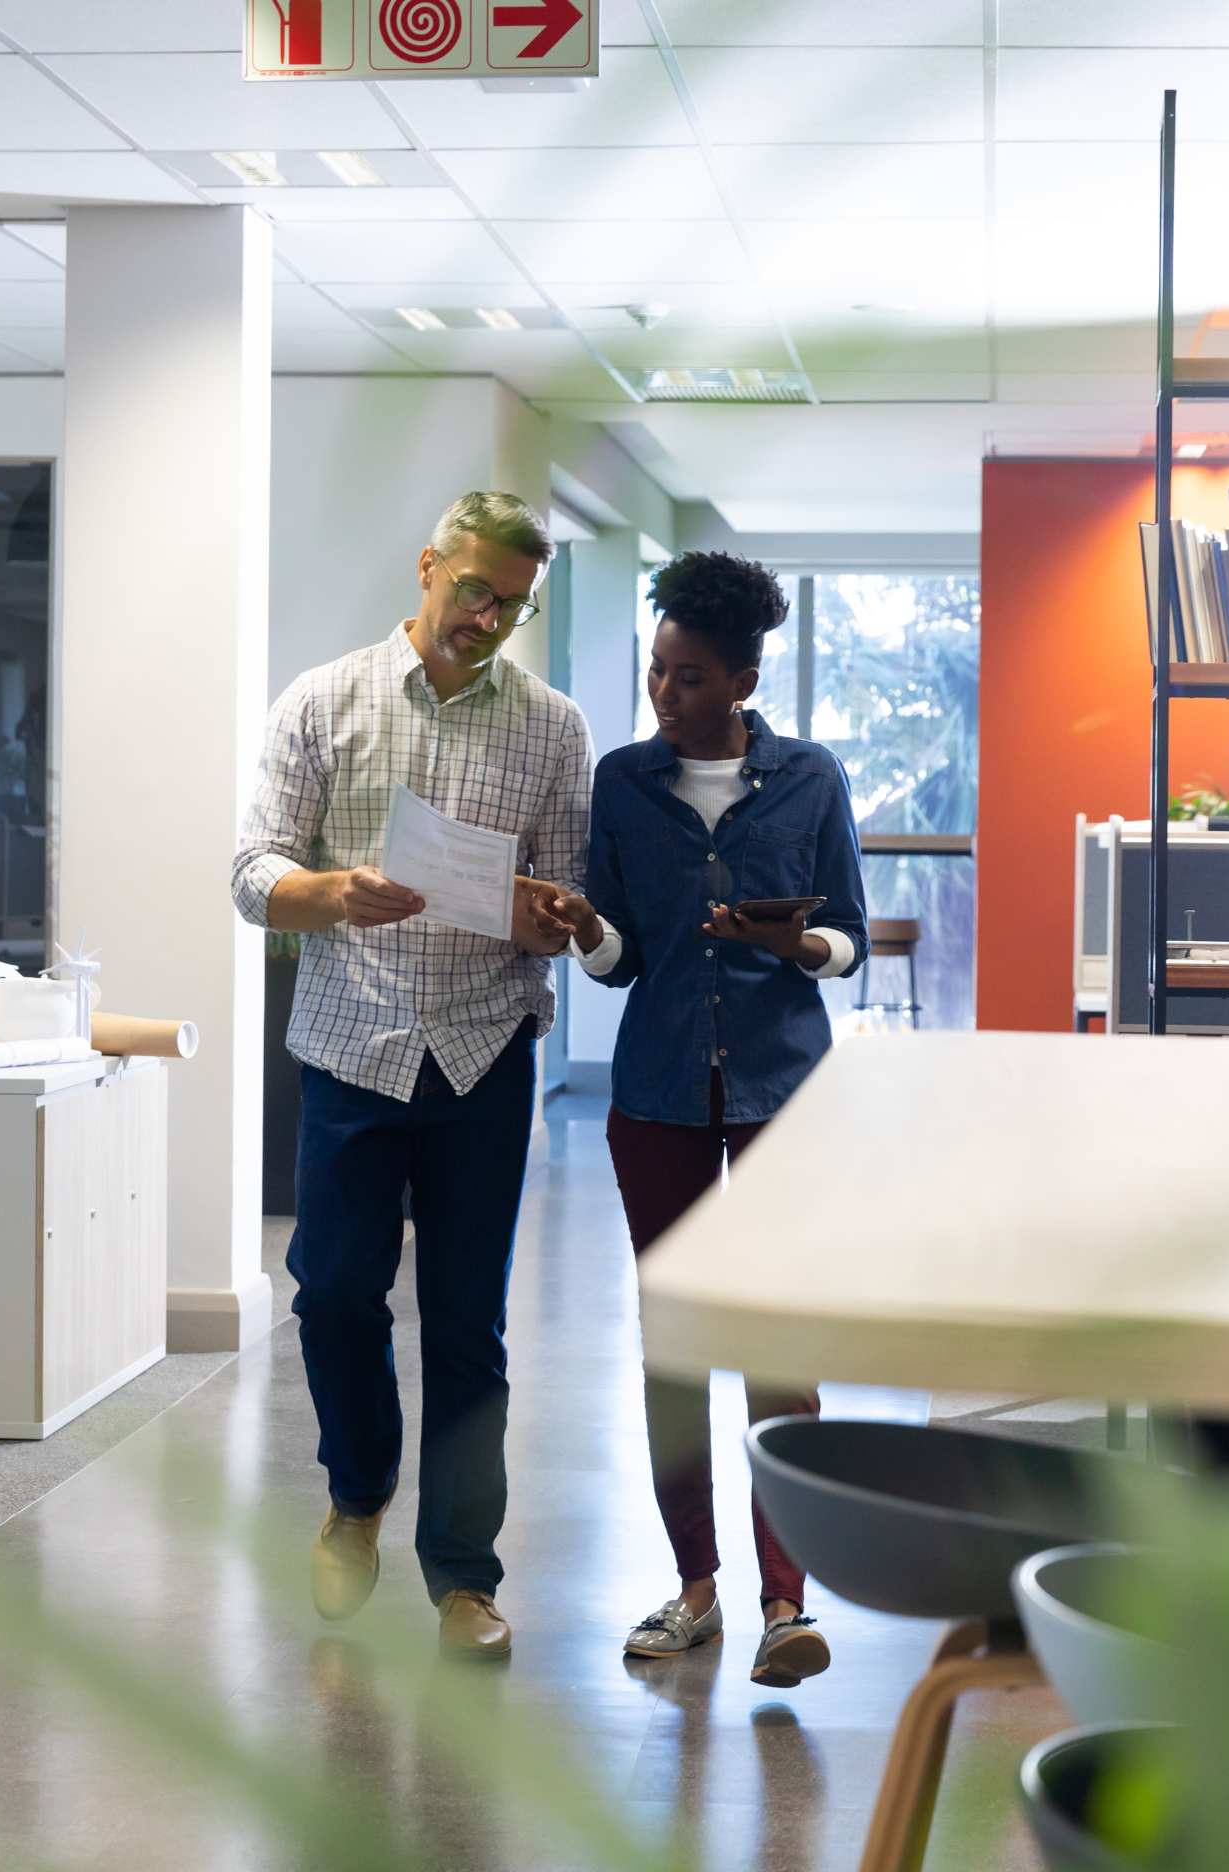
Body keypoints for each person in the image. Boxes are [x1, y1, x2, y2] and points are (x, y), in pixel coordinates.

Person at [232, 491, 592, 1662]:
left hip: (485, 1051)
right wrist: (331, 892)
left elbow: (564, 894)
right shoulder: (322, 700)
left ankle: (464, 1579)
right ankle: (357, 1491)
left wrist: (553, 921)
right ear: (429, 564)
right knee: (333, 1294)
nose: (487, 619)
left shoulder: (554, 729)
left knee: (468, 1325)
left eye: (512, 606)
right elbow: (250, 873)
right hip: (351, 1041)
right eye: (473, 591)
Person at [528, 550, 869, 1689]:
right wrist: (587, 929)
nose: (664, 695)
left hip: (783, 1093)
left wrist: (794, 945)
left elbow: (850, 942)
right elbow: (623, 961)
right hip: (659, 1096)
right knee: (675, 1344)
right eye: (658, 672)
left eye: (686, 676)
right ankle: (695, 1590)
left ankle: (788, 1604)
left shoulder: (812, 780)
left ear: (741, 678)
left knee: (776, 1347)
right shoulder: (623, 785)